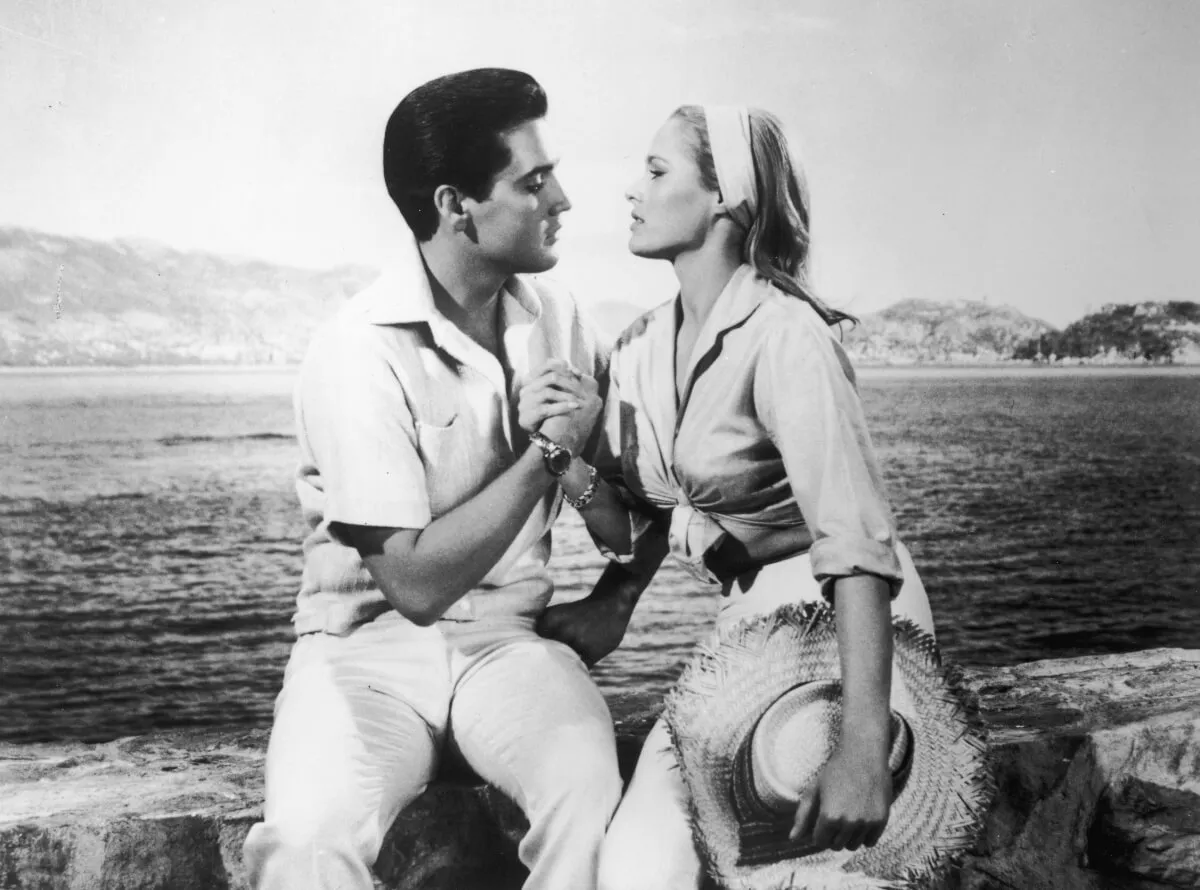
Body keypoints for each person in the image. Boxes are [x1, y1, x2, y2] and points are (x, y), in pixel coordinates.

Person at [520, 105, 938, 890]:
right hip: (747, 626)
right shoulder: (641, 347)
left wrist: (861, 742)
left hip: (839, 618)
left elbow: (855, 546)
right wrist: (562, 456)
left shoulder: (787, 338)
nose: (629, 190)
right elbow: (631, 512)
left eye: (655, 170)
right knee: (639, 865)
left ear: (724, 198)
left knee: (816, 870)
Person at [241, 68, 629, 890]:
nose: (561, 198)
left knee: (590, 796)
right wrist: (538, 460)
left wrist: (578, 471)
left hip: (509, 649)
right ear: (456, 206)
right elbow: (414, 584)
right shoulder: (359, 350)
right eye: (533, 181)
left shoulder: (562, 321)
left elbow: (622, 525)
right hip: (365, 659)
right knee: (308, 843)